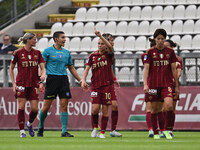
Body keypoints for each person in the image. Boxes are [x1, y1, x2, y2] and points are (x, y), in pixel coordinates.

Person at [37, 31, 82, 137]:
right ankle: (40, 127)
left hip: (63, 80)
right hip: (52, 80)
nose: (65, 39)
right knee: (46, 106)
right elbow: (42, 67)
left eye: (65, 37)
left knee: (64, 106)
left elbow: (71, 68)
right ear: (56, 39)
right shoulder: (47, 51)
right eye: (63, 37)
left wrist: (80, 81)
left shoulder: (67, 53)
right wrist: (40, 81)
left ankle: (64, 131)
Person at [143, 28, 179, 140]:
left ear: (165, 39)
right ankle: (156, 132)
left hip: (166, 84)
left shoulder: (170, 52)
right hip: (153, 84)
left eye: (162, 39)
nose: (160, 41)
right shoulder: (149, 52)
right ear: (155, 39)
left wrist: (176, 86)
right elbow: (146, 69)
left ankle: (167, 130)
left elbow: (174, 70)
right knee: (154, 109)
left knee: (168, 106)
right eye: (158, 39)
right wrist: (145, 84)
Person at [81, 29, 117, 138]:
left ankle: (102, 132)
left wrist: (100, 36)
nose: (100, 45)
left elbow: (110, 47)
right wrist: (83, 80)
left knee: (105, 110)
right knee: (95, 109)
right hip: (95, 86)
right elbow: (87, 69)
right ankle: (95, 127)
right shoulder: (92, 56)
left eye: (102, 43)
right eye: (98, 43)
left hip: (106, 86)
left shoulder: (109, 55)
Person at [9, 32, 46, 138]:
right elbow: (11, 68)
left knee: (35, 109)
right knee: (21, 106)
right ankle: (22, 131)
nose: (36, 41)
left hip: (34, 84)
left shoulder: (38, 53)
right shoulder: (17, 52)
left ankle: (29, 124)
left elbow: (43, 67)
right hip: (21, 83)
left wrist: (42, 76)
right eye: (34, 39)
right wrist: (14, 84)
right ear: (28, 40)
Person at [142, 38, 165, 138]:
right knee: (154, 109)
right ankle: (155, 130)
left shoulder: (148, 55)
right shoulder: (147, 55)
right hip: (151, 83)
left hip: (156, 83)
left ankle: (154, 129)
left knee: (155, 109)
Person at [164, 39, 183, 137]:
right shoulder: (163, 58)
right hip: (163, 84)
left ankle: (170, 129)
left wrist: (173, 79)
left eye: (167, 46)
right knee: (163, 108)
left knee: (172, 109)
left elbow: (179, 72)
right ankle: (163, 129)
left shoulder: (178, 59)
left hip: (173, 84)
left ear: (172, 47)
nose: (165, 48)